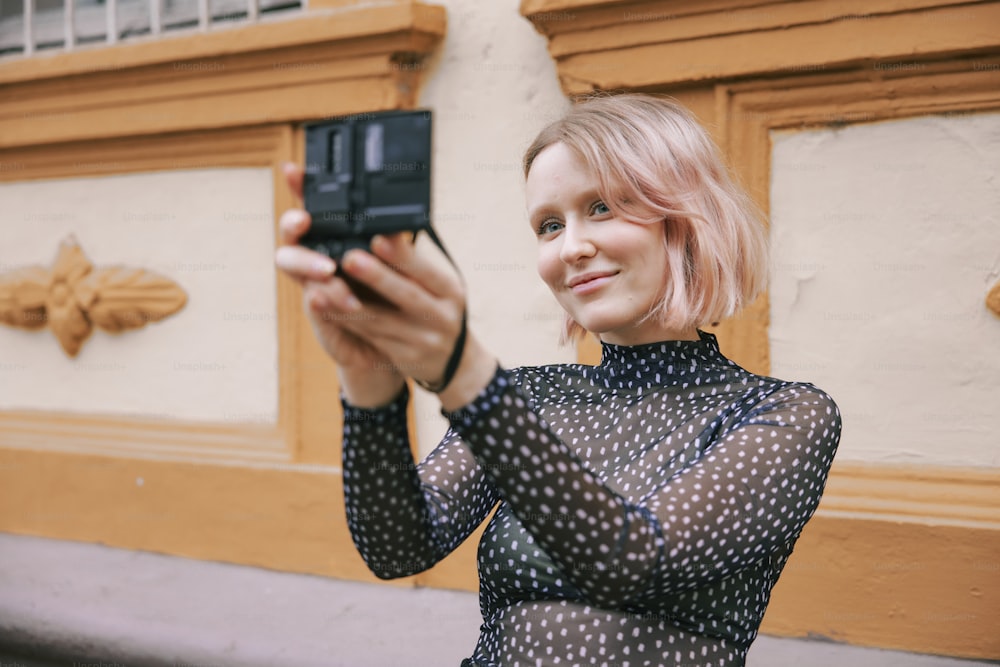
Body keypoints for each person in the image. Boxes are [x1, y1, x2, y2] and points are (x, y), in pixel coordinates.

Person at [274, 94, 842, 667]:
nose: (571, 247)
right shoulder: (533, 395)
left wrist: (465, 375)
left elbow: (629, 564)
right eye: (549, 225)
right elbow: (399, 545)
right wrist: (368, 378)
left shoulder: (782, 413)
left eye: (601, 208)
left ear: (688, 217)